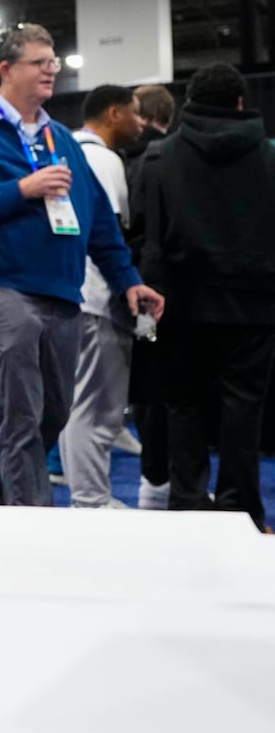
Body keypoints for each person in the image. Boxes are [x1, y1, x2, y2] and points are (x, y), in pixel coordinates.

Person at [0, 25, 164, 507]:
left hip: (63, 294)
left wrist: (129, 281)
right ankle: (34, 528)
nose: (51, 70)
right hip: (1, 289)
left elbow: (99, 222)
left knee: (51, 416)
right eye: (40, 62)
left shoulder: (63, 139)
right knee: (23, 418)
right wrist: (22, 189)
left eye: (53, 61)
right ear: (6, 70)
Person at [135, 63, 275, 531]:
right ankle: (242, 510)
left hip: (178, 305)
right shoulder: (270, 156)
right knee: (244, 408)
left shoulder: (157, 157)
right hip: (255, 305)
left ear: (190, 101)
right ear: (240, 102)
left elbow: (143, 236)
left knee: (183, 405)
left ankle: (189, 505)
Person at [61, 83, 144, 507]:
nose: (142, 122)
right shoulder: (103, 159)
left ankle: (89, 496)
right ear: (114, 114)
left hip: (71, 294)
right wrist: (126, 285)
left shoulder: (69, 150)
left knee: (81, 404)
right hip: (98, 296)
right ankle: (91, 499)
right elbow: (108, 235)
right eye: (137, 112)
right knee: (95, 408)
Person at [123, 82, 175, 507]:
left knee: (147, 383)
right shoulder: (170, 158)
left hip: (133, 288)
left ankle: (153, 481)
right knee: (169, 388)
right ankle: (166, 481)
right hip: (167, 292)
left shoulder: (125, 158)